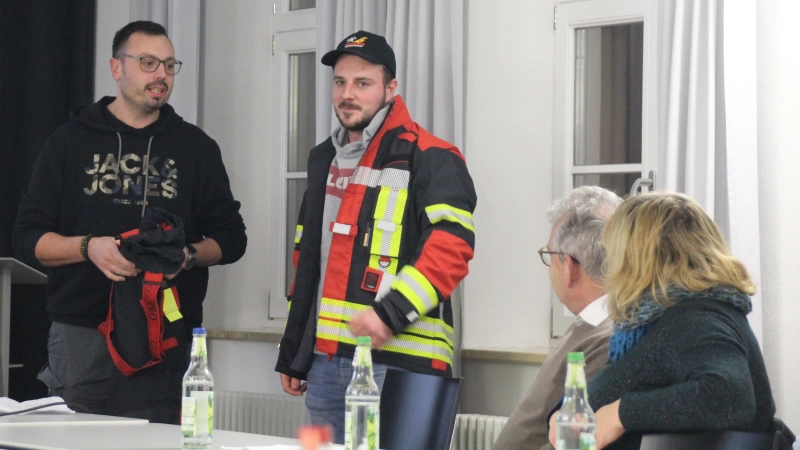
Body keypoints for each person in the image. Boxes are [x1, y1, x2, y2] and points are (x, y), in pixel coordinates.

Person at [12, 21, 247, 417]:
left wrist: (186, 256)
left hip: (165, 337)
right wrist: (90, 249)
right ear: (116, 68)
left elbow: (232, 239)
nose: (161, 75)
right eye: (149, 62)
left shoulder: (196, 149)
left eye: (169, 66)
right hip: (82, 336)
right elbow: (26, 238)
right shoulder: (68, 142)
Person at [275, 30, 477, 443]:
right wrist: (295, 354)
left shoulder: (434, 156)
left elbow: (451, 249)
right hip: (325, 365)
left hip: (402, 366)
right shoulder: (322, 159)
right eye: (340, 82)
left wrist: (389, 314)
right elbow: (311, 266)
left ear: (390, 89)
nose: (347, 94)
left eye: (362, 83)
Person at [549, 191, 776, 450]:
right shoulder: (655, 318)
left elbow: (728, 396)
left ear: (636, 256)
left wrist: (621, 414)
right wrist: (562, 412)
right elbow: (625, 382)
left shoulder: (698, 317)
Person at [492, 186, 620, 450]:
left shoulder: (607, 338)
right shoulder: (591, 324)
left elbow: (572, 442)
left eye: (550, 256)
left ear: (570, 267)